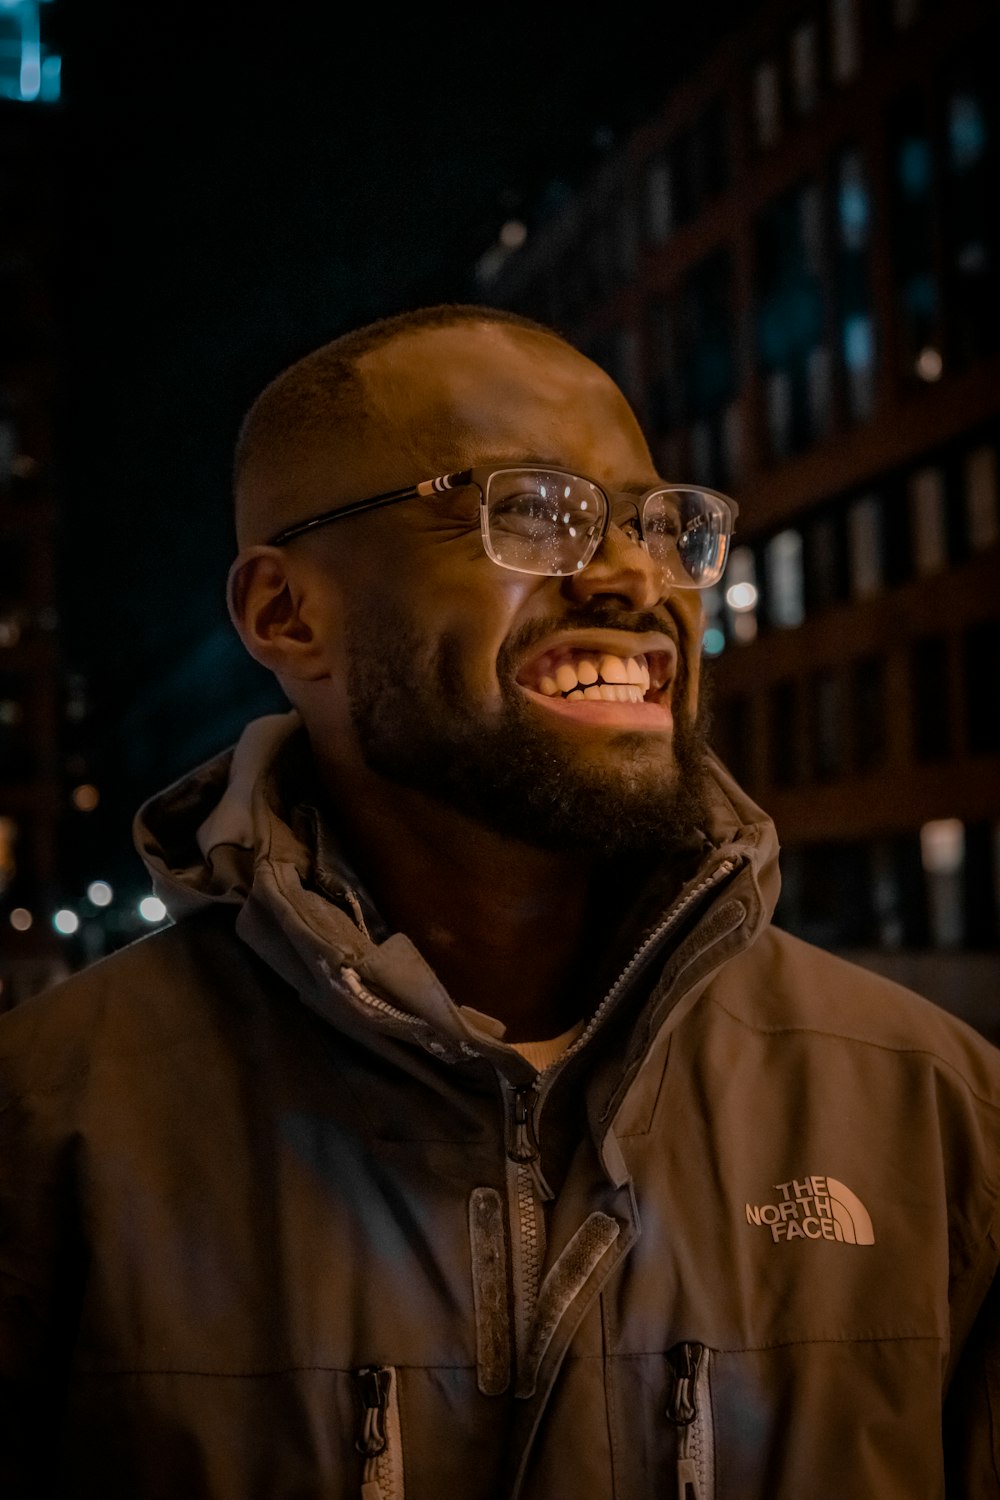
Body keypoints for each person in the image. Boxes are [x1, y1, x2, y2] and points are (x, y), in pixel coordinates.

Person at [1, 303, 998, 1499]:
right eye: (533, 510)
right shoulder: (48, 1130)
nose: (637, 578)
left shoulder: (935, 1113)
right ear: (286, 614)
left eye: (660, 526)